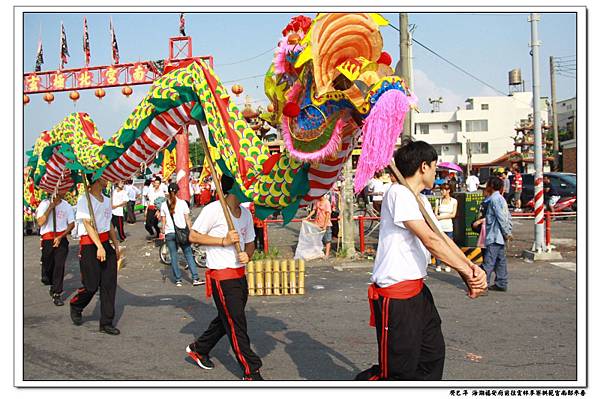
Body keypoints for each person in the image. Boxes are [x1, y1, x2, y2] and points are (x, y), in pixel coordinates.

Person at [355, 141, 487, 381]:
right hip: (396, 296)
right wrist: (467, 273)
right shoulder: (397, 193)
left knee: (431, 358)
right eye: (435, 167)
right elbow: (429, 240)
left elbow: (443, 241)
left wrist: (472, 269)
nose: (436, 173)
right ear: (424, 166)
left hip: (418, 292)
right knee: (398, 371)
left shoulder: (421, 201)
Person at [186, 174, 263, 381]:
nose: (250, 187)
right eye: (245, 184)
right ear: (234, 187)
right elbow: (193, 236)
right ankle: (251, 370)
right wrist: (223, 240)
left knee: (227, 318)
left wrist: (248, 254)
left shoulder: (245, 213)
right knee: (237, 322)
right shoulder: (214, 209)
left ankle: (199, 348)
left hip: (239, 274)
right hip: (222, 276)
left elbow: (251, 242)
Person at [70, 175, 121, 335]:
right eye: (105, 177)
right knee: (91, 285)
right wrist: (99, 246)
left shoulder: (106, 200)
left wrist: (116, 244)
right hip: (90, 245)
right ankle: (76, 305)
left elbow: (109, 223)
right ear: (97, 179)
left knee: (109, 284)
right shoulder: (84, 200)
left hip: (105, 243)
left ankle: (106, 323)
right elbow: (87, 224)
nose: (108, 180)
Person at [35, 192, 75, 306]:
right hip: (48, 238)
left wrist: (61, 236)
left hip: (61, 238)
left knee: (59, 265)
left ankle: (57, 292)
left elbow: (72, 224)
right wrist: (51, 207)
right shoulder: (44, 204)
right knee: (48, 264)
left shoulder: (66, 205)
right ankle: (47, 275)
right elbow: (40, 222)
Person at [160, 183, 203, 287]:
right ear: (178, 191)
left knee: (173, 256)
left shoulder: (163, 204)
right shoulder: (183, 203)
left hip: (170, 233)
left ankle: (178, 280)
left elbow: (163, 221)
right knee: (188, 254)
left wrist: (163, 231)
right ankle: (195, 278)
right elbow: (187, 219)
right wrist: (191, 231)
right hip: (182, 233)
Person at [481, 176, 513, 292]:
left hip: (494, 235)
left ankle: (483, 285)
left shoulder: (494, 200)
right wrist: (508, 232)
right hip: (500, 237)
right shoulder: (501, 199)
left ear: (491, 186)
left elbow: (501, 217)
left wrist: (506, 232)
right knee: (500, 261)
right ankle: (501, 282)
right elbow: (507, 216)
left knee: (489, 262)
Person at [434, 183, 458, 273]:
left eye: (444, 190)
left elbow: (453, 214)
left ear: (448, 191)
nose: (442, 191)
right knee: (438, 245)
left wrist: (441, 217)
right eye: (441, 189)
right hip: (439, 227)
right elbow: (435, 214)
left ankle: (448, 264)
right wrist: (440, 217)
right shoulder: (438, 200)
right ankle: (438, 264)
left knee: (448, 246)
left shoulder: (454, 201)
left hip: (448, 227)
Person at [305, 194, 333, 258]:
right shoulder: (317, 201)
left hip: (326, 224)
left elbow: (328, 215)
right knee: (317, 239)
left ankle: (327, 254)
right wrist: (307, 217)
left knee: (327, 239)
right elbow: (314, 210)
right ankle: (318, 252)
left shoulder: (327, 202)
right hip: (317, 223)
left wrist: (325, 225)